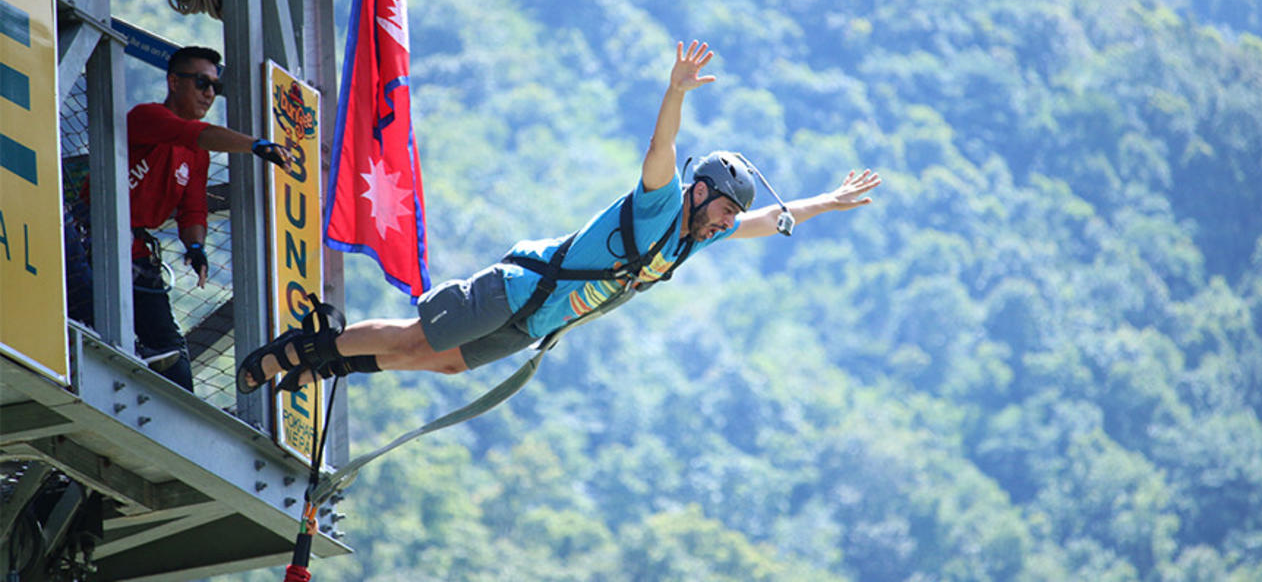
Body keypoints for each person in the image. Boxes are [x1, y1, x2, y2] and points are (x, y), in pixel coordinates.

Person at [238, 40, 881, 392]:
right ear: (700, 189)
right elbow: (660, 150)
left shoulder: (694, 241)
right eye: (722, 206)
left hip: (536, 322)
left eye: (729, 214)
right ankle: (296, 350)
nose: (727, 219)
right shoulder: (660, 204)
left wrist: (828, 199)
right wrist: (673, 92)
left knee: (444, 362)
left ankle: (332, 362)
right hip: (524, 287)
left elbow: (772, 218)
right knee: (416, 339)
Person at [72, 46, 293, 391]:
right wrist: (256, 145)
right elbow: (196, 133)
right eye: (202, 83)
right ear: (174, 82)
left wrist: (195, 245)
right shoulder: (147, 118)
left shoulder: (197, 155)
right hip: (90, 238)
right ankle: (127, 355)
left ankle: (155, 387)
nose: (209, 94)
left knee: (174, 358)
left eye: (214, 88)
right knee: (93, 319)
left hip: (136, 253)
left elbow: (192, 209)